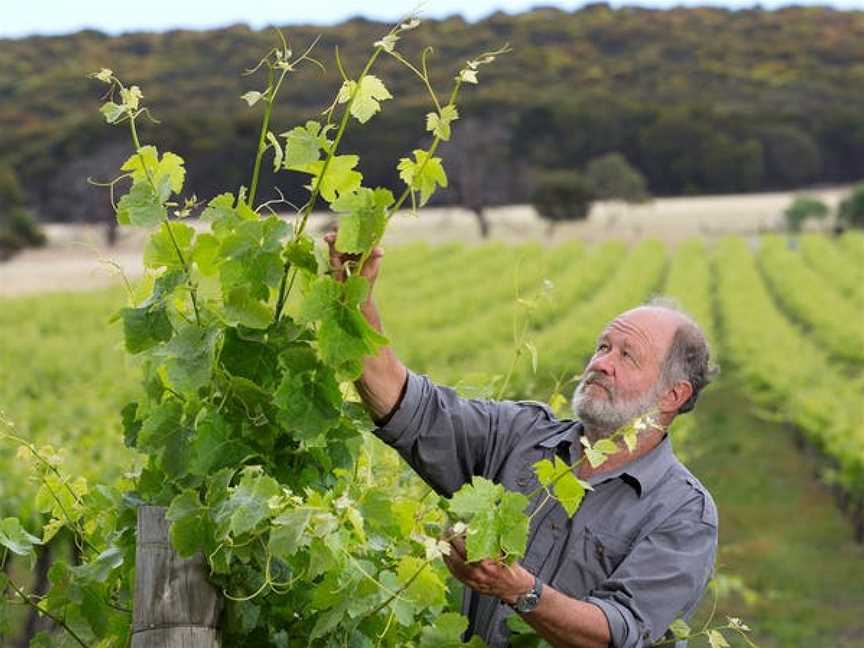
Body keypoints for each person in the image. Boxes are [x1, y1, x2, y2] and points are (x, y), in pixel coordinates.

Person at [325, 233, 719, 648]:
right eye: (603, 346)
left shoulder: (684, 513)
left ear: (673, 395)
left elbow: (618, 634)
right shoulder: (520, 435)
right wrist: (355, 297)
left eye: (626, 355)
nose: (601, 363)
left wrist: (519, 590)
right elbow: (402, 403)